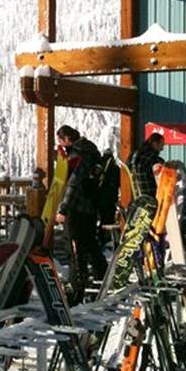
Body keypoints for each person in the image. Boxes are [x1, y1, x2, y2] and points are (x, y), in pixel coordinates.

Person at [54, 125, 106, 305]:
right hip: (90, 208)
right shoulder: (90, 152)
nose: (60, 144)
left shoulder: (77, 155)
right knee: (91, 245)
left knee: (75, 251)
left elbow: (73, 183)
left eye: (60, 140)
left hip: (77, 209)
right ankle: (102, 281)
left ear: (67, 139)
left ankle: (77, 290)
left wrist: (63, 208)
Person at [129, 132, 165, 198]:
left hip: (138, 196)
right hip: (151, 195)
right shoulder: (151, 157)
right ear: (154, 143)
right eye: (161, 145)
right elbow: (162, 173)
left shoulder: (136, 155)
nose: (162, 149)